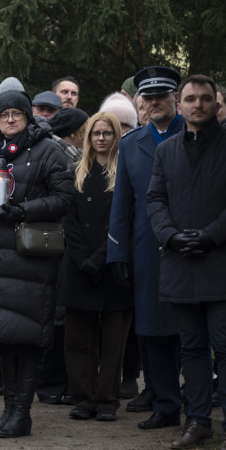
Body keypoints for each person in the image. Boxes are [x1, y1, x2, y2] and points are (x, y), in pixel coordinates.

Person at [0, 90, 74, 438]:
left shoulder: (47, 150)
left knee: (27, 337)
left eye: (17, 114)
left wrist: (23, 210)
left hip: (30, 257)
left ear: (28, 117)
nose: (10, 119)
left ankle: (21, 413)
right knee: (5, 337)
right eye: (5, 114)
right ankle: (9, 409)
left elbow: (65, 197)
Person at [146, 74, 226, 450]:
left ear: (216, 103)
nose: (198, 105)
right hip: (180, 262)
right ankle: (197, 421)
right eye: (191, 99)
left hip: (221, 260)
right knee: (192, 348)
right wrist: (171, 235)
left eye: (205, 98)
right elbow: (155, 199)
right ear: (180, 105)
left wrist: (211, 234)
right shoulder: (166, 151)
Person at [108, 66, 184, 430]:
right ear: (141, 102)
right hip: (146, 250)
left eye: (161, 96)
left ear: (175, 99)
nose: (154, 103)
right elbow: (122, 204)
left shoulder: (195, 134)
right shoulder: (130, 144)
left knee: (190, 332)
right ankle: (165, 403)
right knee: (152, 329)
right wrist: (117, 254)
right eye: (148, 98)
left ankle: (196, 404)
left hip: (191, 249)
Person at [58, 112, 133, 421]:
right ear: (88, 137)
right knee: (78, 339)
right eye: (95, 133)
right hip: (79, 265)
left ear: (116, 137)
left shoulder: (125, 173)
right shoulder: (75, 171)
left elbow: (125, 219)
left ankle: (106, 399)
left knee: (114, 341)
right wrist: (83, 258)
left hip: (112, 264)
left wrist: (101, 257)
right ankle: (83, 397)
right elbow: (69, 220)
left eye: (107, 133)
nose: (101, 138)